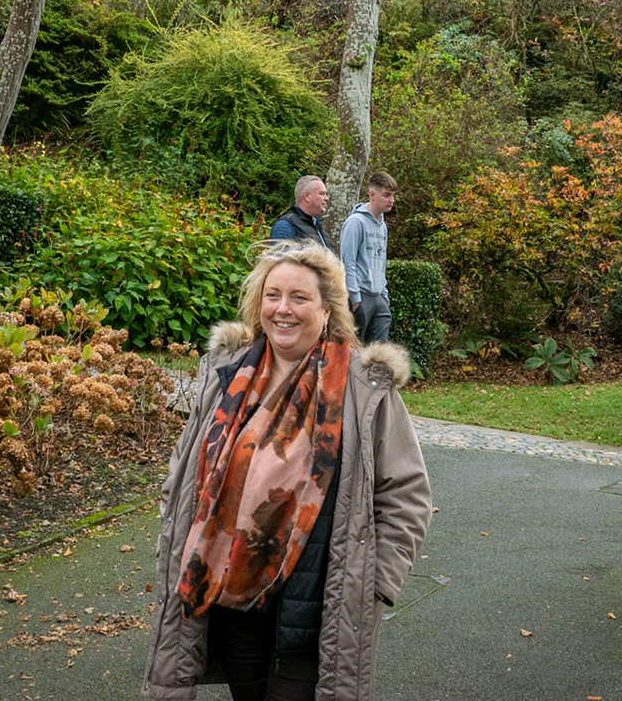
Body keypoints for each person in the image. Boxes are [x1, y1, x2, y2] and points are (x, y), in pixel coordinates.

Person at [142, 244, 431, 701]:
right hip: (230, 592)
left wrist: (373, 582)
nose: (283, 309)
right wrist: (175, 535)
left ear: (327, 310)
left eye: (299, 297)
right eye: (273, 295)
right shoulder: (228, 374)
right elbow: (182, 468)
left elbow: (406, 495)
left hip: (316, 600)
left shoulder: (361, 388)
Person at [340, 172, 395, 344]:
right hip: (361, 296)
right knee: (355, 350)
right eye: (387, 195)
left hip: (379, 297)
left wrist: (384, 296)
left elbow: (381, 263)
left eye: (393, 195)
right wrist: (355, 298)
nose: (391, 200)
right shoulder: (356, 222)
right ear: (372, 195)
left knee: (380, 353)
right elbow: (347, 262)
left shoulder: (383, 227)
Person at [268, 176, 334, 252]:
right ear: (307, 196)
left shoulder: (320, 229)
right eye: (322, 194)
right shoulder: (285, 226)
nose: (326, 198)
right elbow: (279, 257)